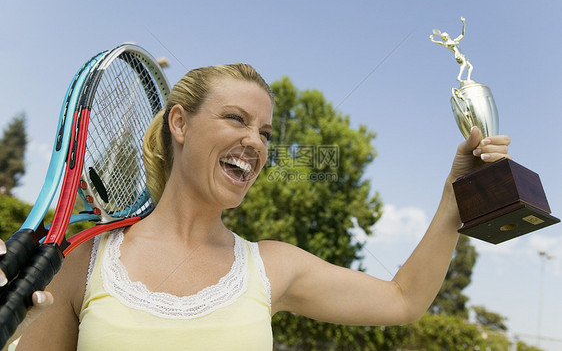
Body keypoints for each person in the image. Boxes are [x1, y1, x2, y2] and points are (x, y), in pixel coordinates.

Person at [1, 63, 511, 350]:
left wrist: (453, 198)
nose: (256, 142)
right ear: (179, 123)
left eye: (265, 132)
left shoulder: (271, 266)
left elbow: (402, 299)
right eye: (235, 119)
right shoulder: (83, 263)